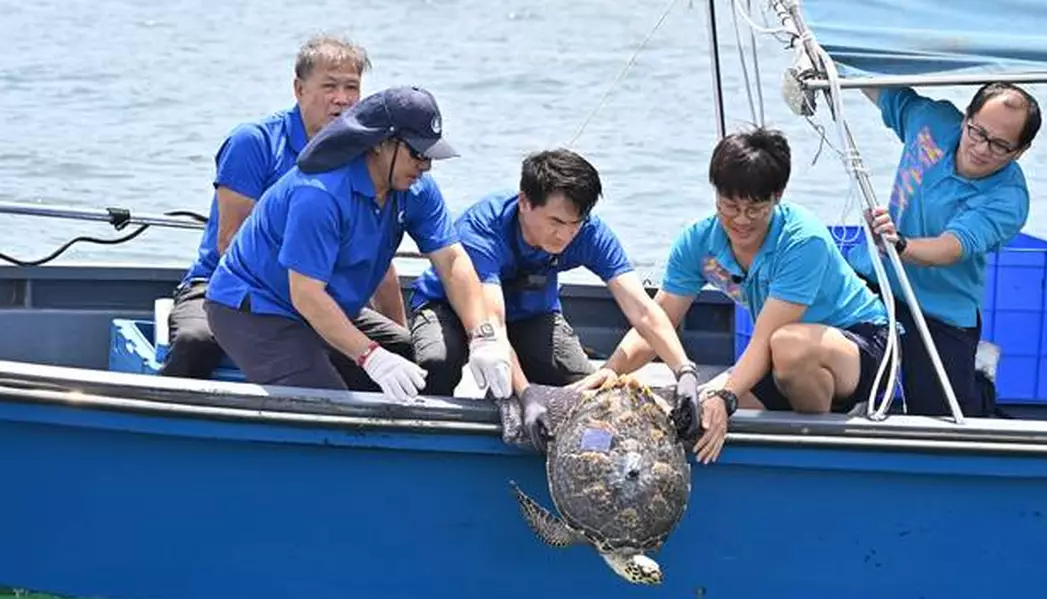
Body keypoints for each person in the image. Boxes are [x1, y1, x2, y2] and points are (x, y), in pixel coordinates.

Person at [588, 127, 891, 464]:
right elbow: (656, 321)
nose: (741, 221)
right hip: (778, 359)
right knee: (690, 415)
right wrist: (613, 370)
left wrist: (726, 396)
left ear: (778, 196)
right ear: (715, 194)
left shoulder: (803, 240)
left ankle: (816, 451)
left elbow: (764, 339)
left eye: (755, 209)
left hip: (859, 344)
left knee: (787, 345)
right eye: (730, 206)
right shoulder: (699, 242)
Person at [203, 86, 512, 401]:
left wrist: (483, 336)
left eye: (430, 155)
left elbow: (452, 261)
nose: (426, 166)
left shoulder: (416, 189)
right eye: (417, 153)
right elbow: (306, 295)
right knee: (328, 403)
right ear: (379, 143)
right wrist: (371, 356)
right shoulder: (320, 194)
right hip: (257, 308)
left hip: (330, 304)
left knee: (424, 367)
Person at [159, 35, 411, 392]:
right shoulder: (255, 142)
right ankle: (168, 423)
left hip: (318, 291)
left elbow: (374, 253)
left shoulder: (366, 157)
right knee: (196, 341)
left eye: (351, 87)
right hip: (231, 287)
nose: (342, 99)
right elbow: (229, 241)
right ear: (299, 88)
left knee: (405, 348)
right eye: (329, 86)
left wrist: (396, 327)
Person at [407, 148, 699, 428]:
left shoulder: (589, 233)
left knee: (588, 391)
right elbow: (492, 323)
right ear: (524, 202)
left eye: (576, 223)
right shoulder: (483, 229)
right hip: (451, 308)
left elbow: (644, 310)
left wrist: (684, 370)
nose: (565, 235)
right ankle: (428, 431)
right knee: (438, 361)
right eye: (556, 222)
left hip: (530, 317)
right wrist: (525, 394)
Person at [848, 81, 1041, 417]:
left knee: (941, 415)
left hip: (942, 308)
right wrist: (829, 59)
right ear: (966, 117)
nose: (981, 149)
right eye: (977, 132)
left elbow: (952, 247)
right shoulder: (931, 121)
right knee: (840, 372)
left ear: (1020, 151)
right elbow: (879, 89)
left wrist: (901, 245)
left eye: (999, 145)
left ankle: (979, 377)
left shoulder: (1009, 198)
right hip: (874, 278)